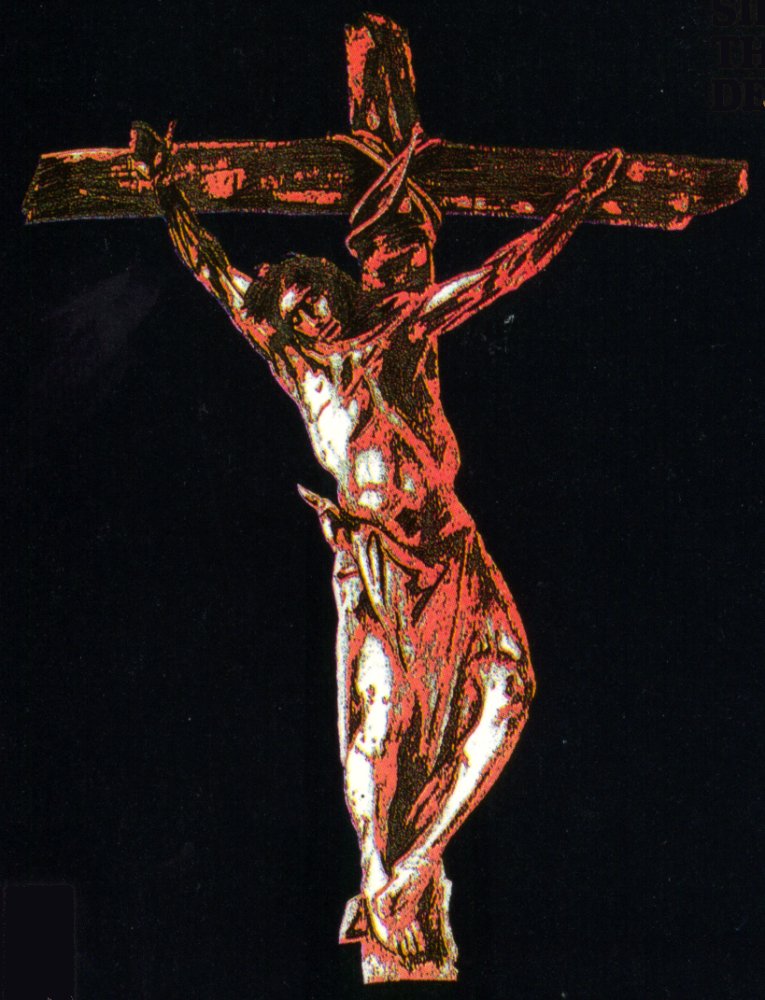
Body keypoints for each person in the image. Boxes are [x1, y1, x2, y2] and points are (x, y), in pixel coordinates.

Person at [133, 122, 622, 977]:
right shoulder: (297, 367)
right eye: (292, 312)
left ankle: (410, 868)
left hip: (449, 545)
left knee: (510, 691)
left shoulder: (395, 328)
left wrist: (575, 204)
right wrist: (166, 187)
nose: (309, 314)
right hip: (376, 560)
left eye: (313, 297)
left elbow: (494, 276)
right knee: (380, 729)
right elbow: (212, 269)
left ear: (331, 286)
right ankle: (382, 877)